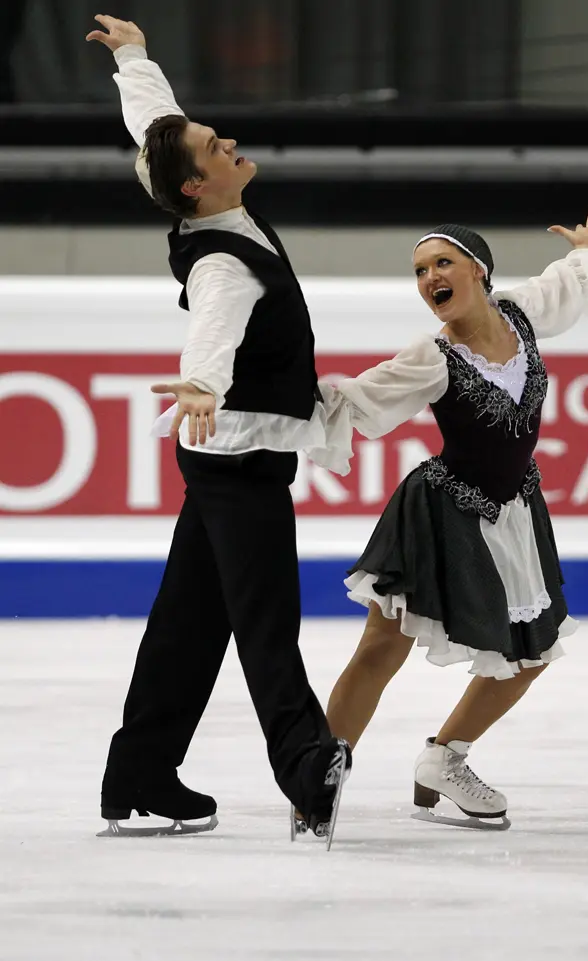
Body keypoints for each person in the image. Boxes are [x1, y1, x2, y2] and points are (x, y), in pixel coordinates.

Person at [86, 15, 350, 842]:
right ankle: (310, 768)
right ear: (198, 187)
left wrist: (134, 57)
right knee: (266, 621)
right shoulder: (221, 262)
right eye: (214, 146)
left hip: (227, 458)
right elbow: (212, 328)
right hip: (235, 462)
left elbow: (154, 125)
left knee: (190, 621)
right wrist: (200, 384)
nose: (227, 140)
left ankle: (139, 774)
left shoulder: (203, 200)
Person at [316, 211, 588, 827]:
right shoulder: (431, 357)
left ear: (478, 271)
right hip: (440, 511)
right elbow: (353, 398)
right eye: (420, 272)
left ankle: (444, 759)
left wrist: (586, 253)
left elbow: (565, 283)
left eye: (441, 264)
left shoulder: (519, 314)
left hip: (513, 513)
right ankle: (315, 771)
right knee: (382, 647)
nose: (430, 277)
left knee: (531, 654)